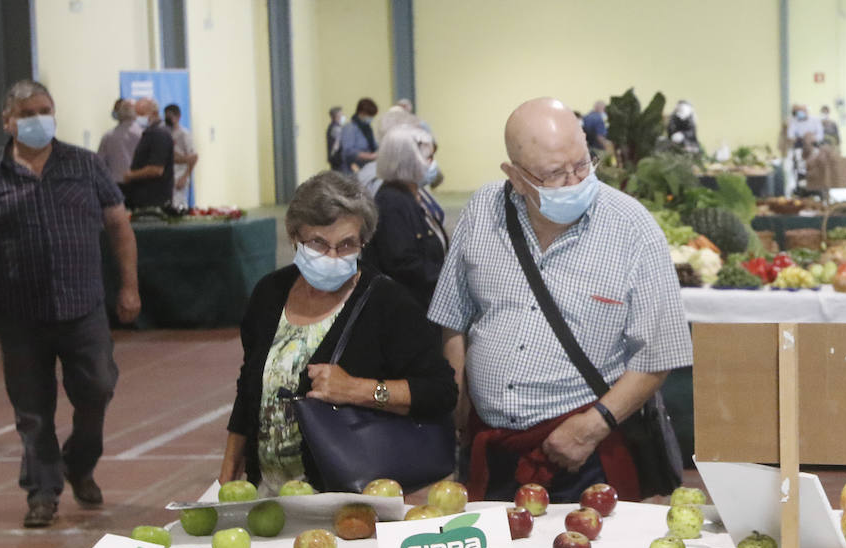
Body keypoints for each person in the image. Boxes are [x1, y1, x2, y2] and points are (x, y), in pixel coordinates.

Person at [429, 97, 693, 503]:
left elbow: (657, 355)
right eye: (554, 174)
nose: (574, 182)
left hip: (585, 453)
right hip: (490, 450)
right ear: (515, 176)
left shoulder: (631, 227)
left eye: (583, 164)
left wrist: (592, 426)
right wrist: (459, 400)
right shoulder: (483, 211)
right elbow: (454, 315)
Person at [0, 80, 140, 528]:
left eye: (45, 109)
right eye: (27, 113)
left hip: (83, 307)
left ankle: (79, 464)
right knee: (33, 413)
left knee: (98, 388)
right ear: (8, 122)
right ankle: (42, 492)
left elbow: (119, 226)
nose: (39, 119)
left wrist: (129, 286)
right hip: (18, 315)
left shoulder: (85, 165)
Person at [219, 171, 457, 493]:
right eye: (318, 243)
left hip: (347, 496)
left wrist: (358, 389)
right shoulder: (269, 293)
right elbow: (249, 383)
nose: (333, 257)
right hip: (268, 493)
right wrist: (232, 458)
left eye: (347, 245)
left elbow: (441, 392)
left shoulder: (389, 303)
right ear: (295, 236)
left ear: (363, 242)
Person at [361, 125, 448, 312]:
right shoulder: (392, 202)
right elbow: (403, 263)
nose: (432, 164)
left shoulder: (413, 194)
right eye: (428, 158)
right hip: (406, 306)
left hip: (423, 300)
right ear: (407, 161)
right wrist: (448, 280)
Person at [122, 97, 175, 211]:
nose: (138, 118)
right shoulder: (149, 133)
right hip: (142, 199)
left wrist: (131, 175)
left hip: (154, 202)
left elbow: (156, 169)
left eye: (141, 114)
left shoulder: (159, 134)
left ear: (154, 113)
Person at [96, 98, 142, 182]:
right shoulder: (143, 134)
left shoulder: (108, 136)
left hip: (116, 184)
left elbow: (100, 162)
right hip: (138, 182)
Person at [164, 104, 198, 211]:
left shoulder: (184, 134)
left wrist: (185, 177)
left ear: (178, 116)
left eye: (170, 117)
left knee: (178, 206)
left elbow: (194, 157)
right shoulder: (164, 133)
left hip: (179, 175)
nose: (168, 120)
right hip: (167, 176)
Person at [339, 98, 379, 173]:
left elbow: (374, 145)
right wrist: (370, 156)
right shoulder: (350, 128)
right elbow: (349, 152)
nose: (371, 118)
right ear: (362, 112)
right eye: (369, 115)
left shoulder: (367, 128)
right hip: (353, 171)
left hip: (367, 168)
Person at [326, 106, 345, 171]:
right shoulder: (336, 129)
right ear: (337, 116)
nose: (343, 116)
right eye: (342, 114)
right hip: (338, 162)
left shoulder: (333, 127)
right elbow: (337, 145)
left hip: (336, 161)